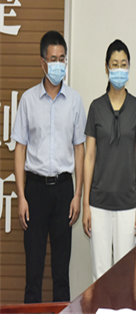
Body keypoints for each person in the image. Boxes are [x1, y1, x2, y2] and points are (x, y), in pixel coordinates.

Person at [13, 31, 86, 303]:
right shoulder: (28, 100)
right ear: (43, 62)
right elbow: (20, 149)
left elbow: (80, 149)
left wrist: (77, 195)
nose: (58, 64)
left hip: (64, 190)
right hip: (35, 190)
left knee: (61, 274)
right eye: (53, 59)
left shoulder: (75, 101)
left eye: (62, 59)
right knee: (33, 273)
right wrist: (21, 197)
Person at [82, 39, 136, 281]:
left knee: (125, 275)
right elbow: (89, 157)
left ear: (129, 67)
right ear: (106, 68)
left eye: (123, 64)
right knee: (100, 275)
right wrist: (86, 203)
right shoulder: (96, 107)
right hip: (98, 203)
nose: (119, 69)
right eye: (115, 64)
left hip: (128, 203)